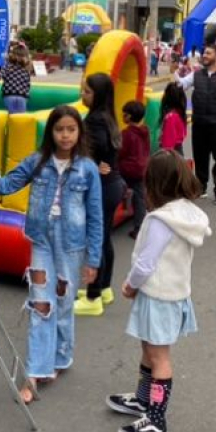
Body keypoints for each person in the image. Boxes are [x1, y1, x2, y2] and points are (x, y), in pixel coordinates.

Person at [0, 105, 103, 404]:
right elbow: (5, 184)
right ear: (51, 132)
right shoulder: (37, 162)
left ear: (79, 131)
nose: (66, 135)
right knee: (41, 304)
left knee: (64, 302)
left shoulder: (88, 169)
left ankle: (61, 357)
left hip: (72, 246)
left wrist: (93, 260)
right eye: (60, 129)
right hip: (42, 242)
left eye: (71, 129)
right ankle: (35, 373)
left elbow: (96, 216)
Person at [107, 149, 208, 432]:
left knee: (158, 356)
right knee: (149, 350)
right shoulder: (187, 214)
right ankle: (143, 400)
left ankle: (155, 419)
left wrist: (130, 284)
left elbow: (145, 263)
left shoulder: (160, 221)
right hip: (173, 295)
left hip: (157, 296)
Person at [75, 73, 126, 317]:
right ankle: (104, 288)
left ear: (98, 96)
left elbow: (97, 147)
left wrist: (93, 163)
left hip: (103, 187)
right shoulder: (108, 117)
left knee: (95, 240)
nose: (82, 95)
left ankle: (93, 296)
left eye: (87, 92)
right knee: (103, 239)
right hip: (112, 184)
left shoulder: (96, 121)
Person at [175, 44, 216, 206]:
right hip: (199, 123)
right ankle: (201, 186)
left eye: (208, 53)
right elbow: (181, 85)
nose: (204, 55)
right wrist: (175, 72)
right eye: (204, 52)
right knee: (200, 156)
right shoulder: (196, 75)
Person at [119, 100, 151, 240]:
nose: (122, 117)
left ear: (129, 117)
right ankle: (141, 223)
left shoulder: (126, 134)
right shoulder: (145, 131)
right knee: (140, 195)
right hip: (142, 167)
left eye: (124, 114)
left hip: (128, 169)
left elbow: (121, 152)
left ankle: (138, 226)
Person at [0, 44, 33, 114]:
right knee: (20, 118)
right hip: (22, 96)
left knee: (11, 116)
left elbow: (1, 74)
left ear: (12, 55)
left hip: (9, 94)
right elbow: (27, 84)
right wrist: (27, 95)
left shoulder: (8, 65)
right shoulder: (26, 68)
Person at [158, 82, 188, 156]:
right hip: (177, 152)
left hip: (171, 156)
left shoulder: (171, 117)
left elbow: (167, 144)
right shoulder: (180, 113)